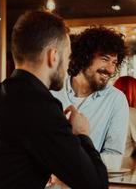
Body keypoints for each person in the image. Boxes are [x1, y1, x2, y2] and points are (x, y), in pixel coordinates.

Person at [0, 11, 107, 189]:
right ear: (53, 56)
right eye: (68, 56)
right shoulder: (39, 105)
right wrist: (82, 134)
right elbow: (96, 184)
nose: (68, 65)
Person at [52, 27, 129, 155]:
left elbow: (113, 155)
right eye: (105, 59)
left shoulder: (116, 100)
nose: (110, 69)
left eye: (114, 62)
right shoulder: (53, 92)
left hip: (90, 175)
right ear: (85, 57)